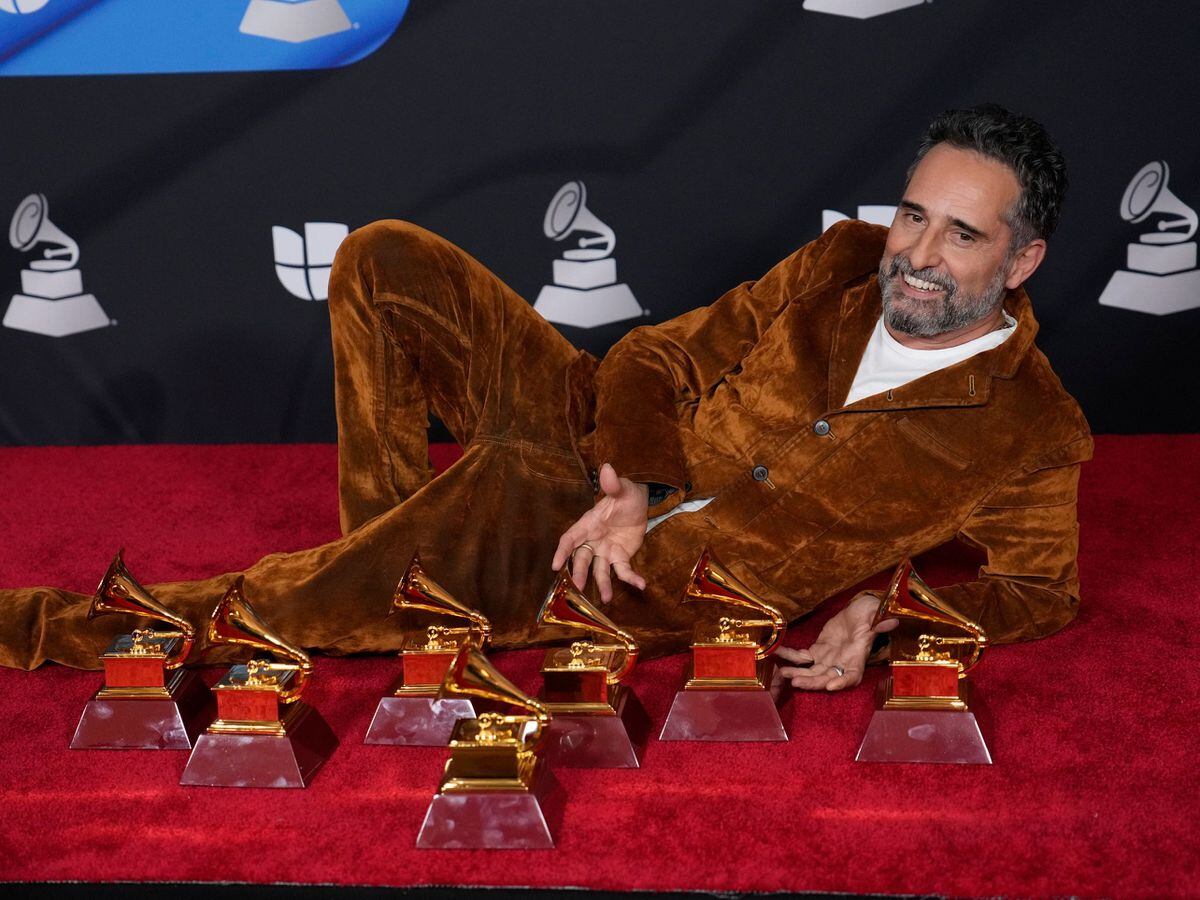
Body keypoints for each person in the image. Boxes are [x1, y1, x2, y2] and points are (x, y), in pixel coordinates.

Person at [0, 104, 1091, 691]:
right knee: (386, 259)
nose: (917, 254)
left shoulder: (1031, 432)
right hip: (601, 443)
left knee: (339, 575)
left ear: (1024, 259)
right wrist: (635, 476)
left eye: (961, 234)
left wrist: (882, 610)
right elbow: (657, 358)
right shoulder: (841, 263)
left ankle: (50, 628)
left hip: (635, 574)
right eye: (913, 215)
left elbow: (1039, 593)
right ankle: (393, 568)